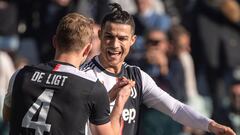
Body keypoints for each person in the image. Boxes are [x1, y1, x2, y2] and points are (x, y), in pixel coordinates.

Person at [80, 3, 237, 135]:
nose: (114, 44)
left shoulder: (136, 76)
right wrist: (109, 99)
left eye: (122, 38)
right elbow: (75, 120)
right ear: (99, 35)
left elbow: (175, 108)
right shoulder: (83, 75)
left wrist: (211, 125)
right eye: (109, 36)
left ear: (132, 41)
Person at [2, 12, 134, 135]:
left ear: (54, 41)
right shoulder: (92, 87)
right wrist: (120, 103)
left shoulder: (21, 75)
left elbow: (7, 115)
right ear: (87, 49)